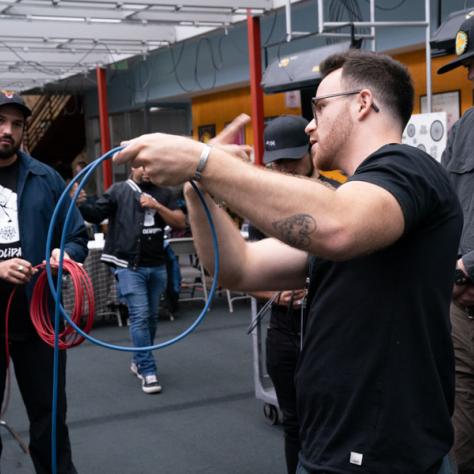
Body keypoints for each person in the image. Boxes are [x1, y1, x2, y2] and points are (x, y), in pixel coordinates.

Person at [114, 50, 462, 473]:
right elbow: (237, 266)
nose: (310, 124)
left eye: (319, 106)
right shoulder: (353, 198)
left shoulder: (410, 168)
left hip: (386, 455)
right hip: (329, 445)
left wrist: (204, 161)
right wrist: (197, 187)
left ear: (363, 103)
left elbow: (338, 226)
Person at [0, 90, 88, 473]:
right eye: (1, 122)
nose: (8, 131)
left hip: (40, 323)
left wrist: (64, 255)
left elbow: (77, 236)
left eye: (16, 124)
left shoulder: (46, 178)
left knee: (50, 420)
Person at [250, 114, 339, 474]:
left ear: (309, 151)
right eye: (277, 163)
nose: (284, 170)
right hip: (285, 330)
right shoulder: (263, 206)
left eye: (291, 159)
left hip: (330, 328)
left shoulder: (338, 194)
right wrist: (276, 292)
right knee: (294, 424)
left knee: (336, 423)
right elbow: (246, 272)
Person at [78, 166, 185, 394]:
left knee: (152, 318)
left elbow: (180, 222)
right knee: (140, 316)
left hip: (157, 265)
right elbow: (96, 214)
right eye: (142, 165)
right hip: (129, 265)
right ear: (133, 167)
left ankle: (138, 360)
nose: (148, 170)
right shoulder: (119, 190)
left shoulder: (164, 192)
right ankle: (148, 370)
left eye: (151, 165)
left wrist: (156, 206)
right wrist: (79, 203)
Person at [438, 14, 474, 474]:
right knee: (460, 448)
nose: (469, 75)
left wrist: (467, 267)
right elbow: (445, 208)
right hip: (461, 313)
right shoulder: (464, 126)